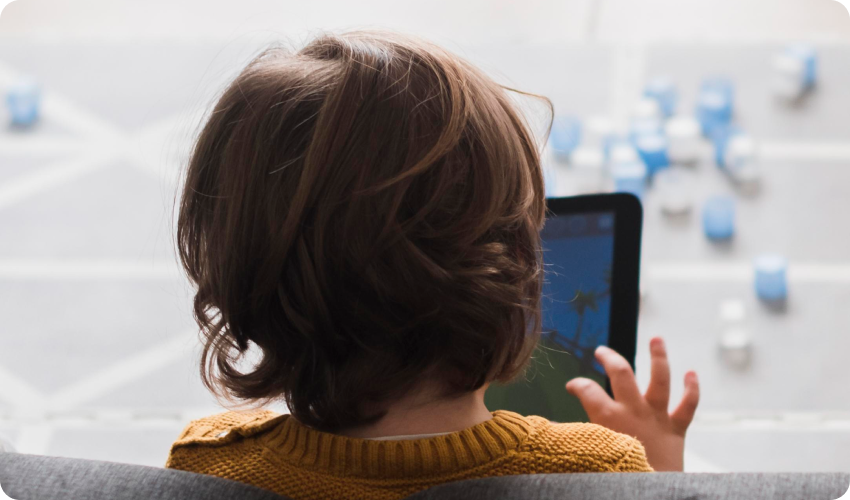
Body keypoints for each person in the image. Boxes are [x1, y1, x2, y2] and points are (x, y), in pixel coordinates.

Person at [166, 30, 700, 500]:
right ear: (516, 264)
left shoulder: (206, 469)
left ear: (235, 275)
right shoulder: (600, 472)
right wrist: (656, 476)